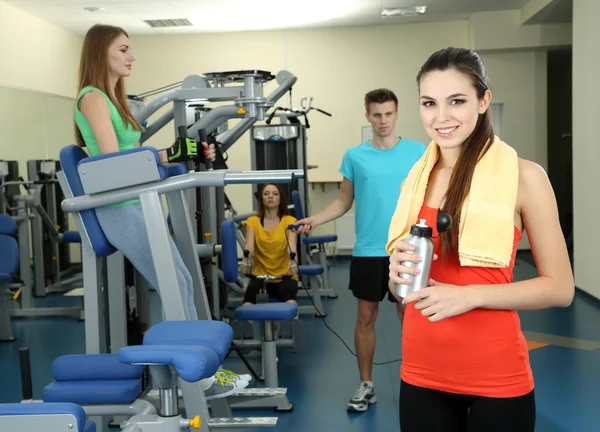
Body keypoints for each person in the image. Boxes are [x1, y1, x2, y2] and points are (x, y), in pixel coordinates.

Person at [387, 47, 574, 432]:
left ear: (483, 100)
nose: (441, 117)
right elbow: (404, 290)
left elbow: (561, 288)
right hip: (421, 370)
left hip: (495, 375)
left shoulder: (524, 177)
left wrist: (469, 295)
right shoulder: (416, 178)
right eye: (429, 103)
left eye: (457, 101)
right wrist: (396, 275)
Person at [74, 23, 250, 399]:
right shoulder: (92, 97)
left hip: (139, 204)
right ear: (100, 52)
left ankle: (199, 373)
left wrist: (176, 153)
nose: (131, 56)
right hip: (120, 209)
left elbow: (133, 157)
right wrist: (161, 156)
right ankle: (196, 379)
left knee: (182, 281)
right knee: (176, 283)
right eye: (123, 49)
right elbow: (113, 160)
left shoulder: (113, 99)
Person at [292, 89, 426, 412]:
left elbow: (429, 198)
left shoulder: (419, 152)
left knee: (409, 316)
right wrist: (315, 219)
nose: (383, 121)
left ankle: (418, 382)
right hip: (368, 250)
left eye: (389, 114)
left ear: (397, 114)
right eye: (377, 115)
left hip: (406, 248)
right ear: (367, 116)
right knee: (365, 317)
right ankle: (366, 384)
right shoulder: (355, 156)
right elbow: (342, 201)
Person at [241, 184, 299, 309]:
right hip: (260, 277)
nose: (270, 196)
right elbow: (249, 247)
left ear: (280, 199)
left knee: (290, 302)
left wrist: (294, 262)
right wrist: (246, 260)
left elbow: (292, 247)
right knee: (247, 303)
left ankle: (292, 327)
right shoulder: (253, 222)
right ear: (261, 199)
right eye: (266, 194)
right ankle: (245, 327)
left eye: (275, 194)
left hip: (285, 276)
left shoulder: (290, 221)